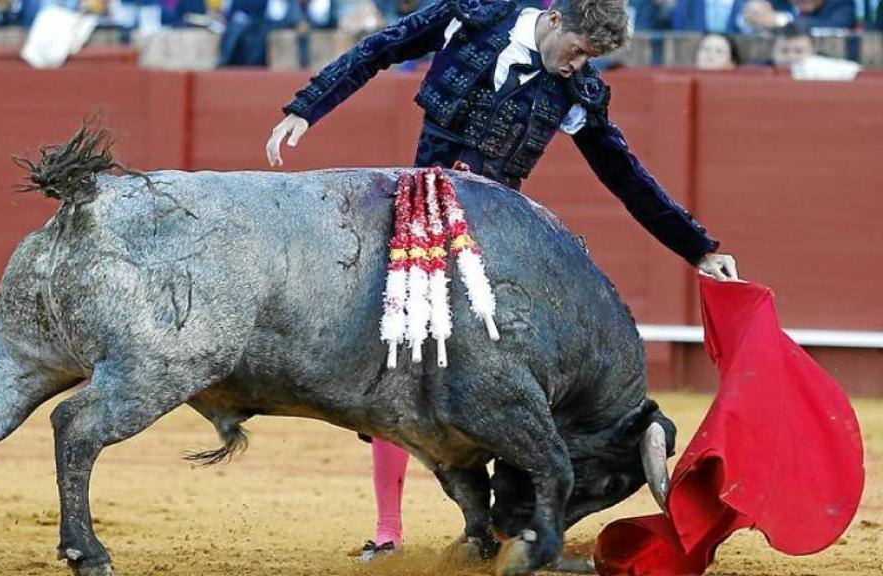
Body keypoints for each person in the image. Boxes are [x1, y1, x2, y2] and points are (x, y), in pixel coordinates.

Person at [264, 0, 740, 562]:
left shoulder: (577, 92)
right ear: (557, 20)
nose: (578, 65)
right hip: (425, 212)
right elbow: (380, 49)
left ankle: (497, 522)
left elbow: (625, 176)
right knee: (393, 346)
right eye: (579, 50)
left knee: (520, 362)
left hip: (499, 231)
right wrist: (306, 108)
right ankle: (389, 528)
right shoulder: (475, 15)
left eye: (591, 59)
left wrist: (698, 247)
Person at [771, 21, 860, 79]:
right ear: (773, 51)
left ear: (812, 51)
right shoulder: (761, 72)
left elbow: (856, 71)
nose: (791, 56)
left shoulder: (827, 69)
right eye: (784, 51)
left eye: (798, 51)